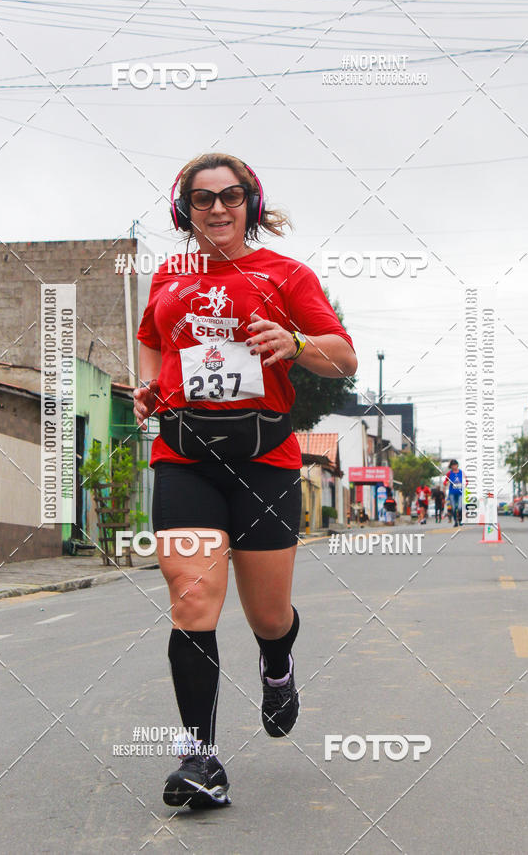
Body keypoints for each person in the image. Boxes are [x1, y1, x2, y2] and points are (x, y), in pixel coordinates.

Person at [133, 152, 357, 810]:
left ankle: (278, 663)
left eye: (231, 196)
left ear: (250, 205)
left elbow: (340, 356)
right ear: (185, 212)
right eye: (203, 199)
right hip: (185, 457)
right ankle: (200, 758)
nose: (218, 209)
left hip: (264, 461)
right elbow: (151, 337)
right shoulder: (169, 276)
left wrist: (292, 342)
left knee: (266, 614)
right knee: (191, 602)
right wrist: (151, 383)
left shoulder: (285, 274)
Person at [444, 459, 465, 527]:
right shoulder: (449, 473)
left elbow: (466, 480)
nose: (454, 466)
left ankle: (460, 520)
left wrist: (466, 483)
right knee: (453, 508)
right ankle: (455, 521)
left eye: (455, 465)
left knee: (459, 507)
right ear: (451, 466)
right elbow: (445, 481)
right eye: (452, 465)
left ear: (457, 465)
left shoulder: (461, 472)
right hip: (452, 493)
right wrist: (445, 483)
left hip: (460, 492)